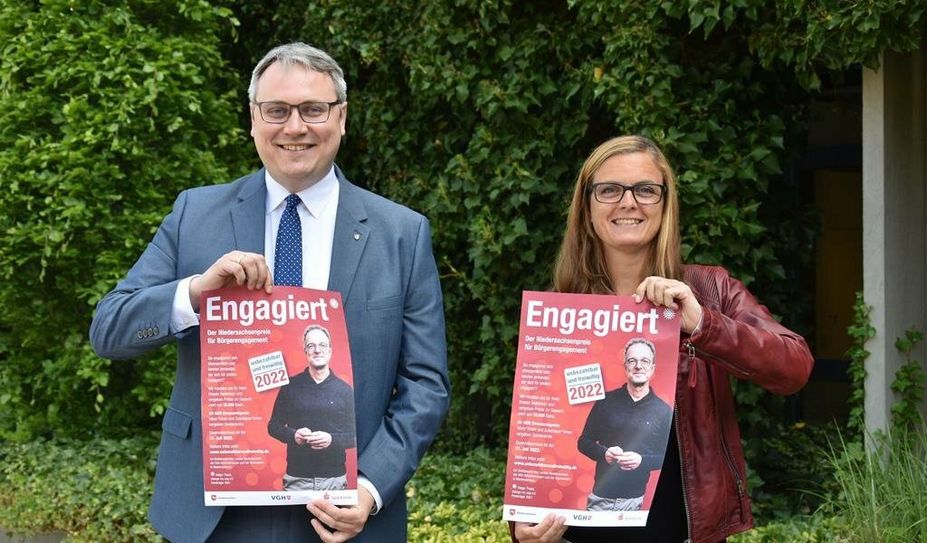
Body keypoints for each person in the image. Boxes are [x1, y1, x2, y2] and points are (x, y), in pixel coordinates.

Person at [90, 42, 450, 543]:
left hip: (345, 514)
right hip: (214, 517)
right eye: (277, 110)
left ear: (341, 118)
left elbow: (426, 385)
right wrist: (194, 293)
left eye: (314, 110)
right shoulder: (195, 214)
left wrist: (369, 488)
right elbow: (109, 328)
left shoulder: (401, 234)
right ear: (254, 119)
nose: (295, 127)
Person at [511, 135, 813, 543]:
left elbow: (794, 366)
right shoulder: (560, 316)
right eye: (610, 189)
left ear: (665, 204)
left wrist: (705, 324)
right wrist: (523, 524)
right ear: (587, 206)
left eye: (646, 190)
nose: (628, 202)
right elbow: (541, 437)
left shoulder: (709, 290)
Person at [577, 337, 672, 512]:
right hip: (600, 499)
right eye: (632, 360)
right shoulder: (605, 401)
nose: (638, 365)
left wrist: (642, 460)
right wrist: (604, 453)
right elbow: (583, 442)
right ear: (625, 366)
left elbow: (666, 457)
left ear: (652, 368)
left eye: (645, 361)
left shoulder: (664, 411)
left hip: (635, 502)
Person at [268, 325, 356, 492]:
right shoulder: (290, 386)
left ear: (330, 350)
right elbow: (273, 426)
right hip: (297, 480)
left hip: (334, 481)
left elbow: (355, 435)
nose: (317, 350)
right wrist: (294, 435)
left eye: (322, 345)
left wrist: (332, 440)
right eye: (311, 345)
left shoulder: (345, 390)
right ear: (305, 351)